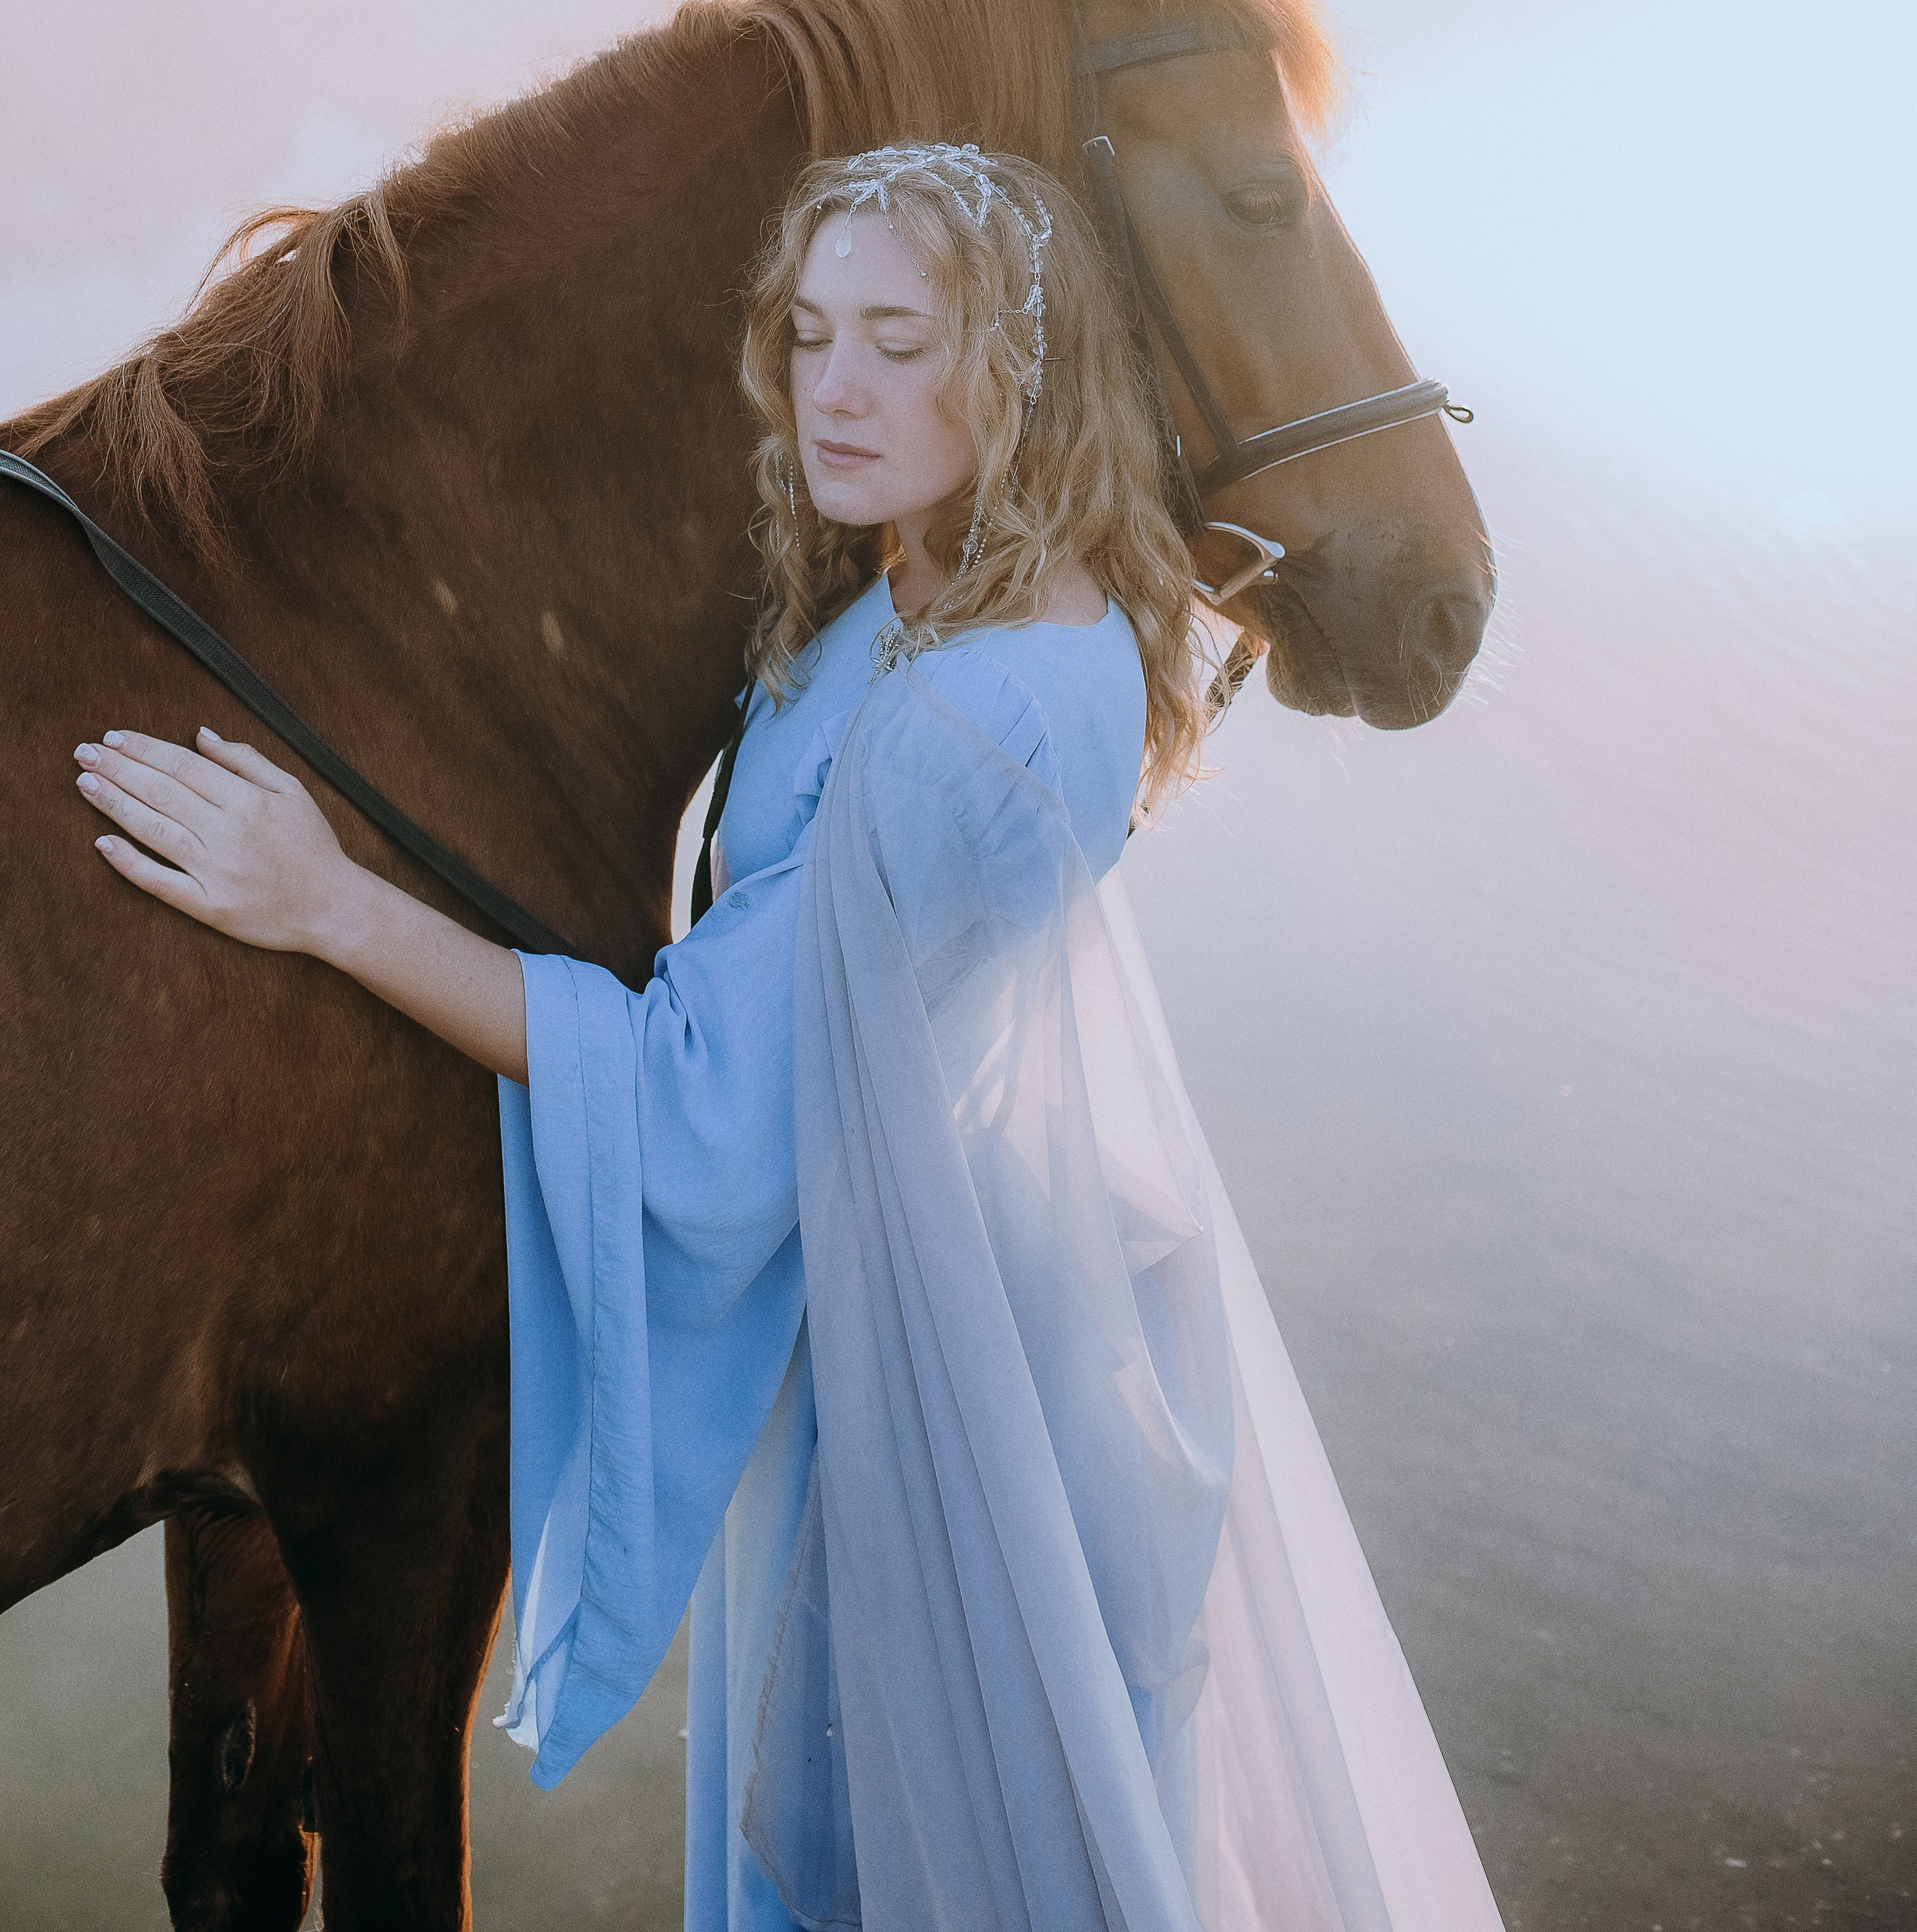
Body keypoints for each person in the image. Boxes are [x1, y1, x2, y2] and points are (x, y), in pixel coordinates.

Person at [73, 141, 1504, 1932]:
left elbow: (705, 1101)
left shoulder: (970, 725)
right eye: (812, 331)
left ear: (1015, 366)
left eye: (901, 341)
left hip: (948, 1366)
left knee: (924, 1859)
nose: (835, 387)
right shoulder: (944, 574)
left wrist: (322, 900)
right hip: (935, 1268)